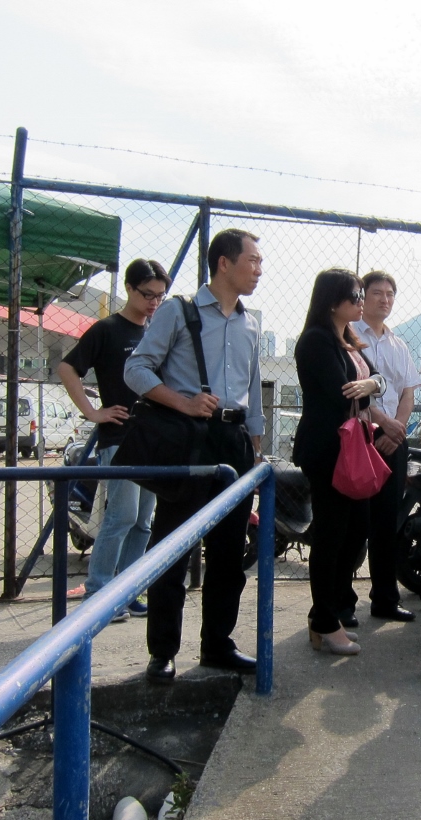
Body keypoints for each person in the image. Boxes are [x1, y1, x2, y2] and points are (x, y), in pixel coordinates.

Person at [123, 228, 265, 682]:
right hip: (189, 439)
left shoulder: (250, 324)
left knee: (229, 553)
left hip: (234, 443)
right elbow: (135, 368)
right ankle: (162, 651)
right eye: (252, 260)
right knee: (173, 546)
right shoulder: (178, 311)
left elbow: (253, 392)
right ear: (224, 263)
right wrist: (182, 403)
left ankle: (217, 645)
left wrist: (255, 446)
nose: (259, 270)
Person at [57, 258, 170, 621]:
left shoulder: (155, 331)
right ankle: (99, 593)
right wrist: (93, 412)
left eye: (160, 296)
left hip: (154, 437)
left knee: (143, 520)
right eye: (147, 294)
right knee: (122, 515)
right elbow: (67, 367)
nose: (153, 302)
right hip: (120, 436)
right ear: (129, 289)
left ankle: (129, 590)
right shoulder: (106, 329)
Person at [293, 268, 387, 655]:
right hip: (328, 450)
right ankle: (324, 621)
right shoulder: (316, 340)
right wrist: (369, 387)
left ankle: (327, 614)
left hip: (352, 446)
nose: (361, 302)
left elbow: (377, 380)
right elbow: (340, 393)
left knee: (355, 530)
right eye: (355, 295)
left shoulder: (349, 339)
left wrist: (371, 384)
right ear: (332, 301)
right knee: (331, 535)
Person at [353, 270, 420, 623]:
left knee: (388, 521)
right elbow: (355, 389)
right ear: (361, 296)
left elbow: (408, 391)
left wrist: (397, 430)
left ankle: (385, 598)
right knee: (355, 522)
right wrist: (383, 423)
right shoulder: (350, 336)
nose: (385, 299)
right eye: (377, 292)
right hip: (361, 436)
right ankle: (341, 602)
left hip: (395, 439)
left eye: (390, 293)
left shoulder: (398, 344)